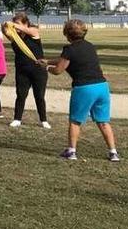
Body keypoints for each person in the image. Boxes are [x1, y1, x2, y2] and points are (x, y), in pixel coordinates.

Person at [43, 20, 119, 162]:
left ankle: (71, 151)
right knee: (103, 121)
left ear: (67, 33)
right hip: (102, 86)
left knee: (75, 120)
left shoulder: (69, 49)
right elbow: (64, 60)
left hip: (84, 88)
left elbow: (59, 70)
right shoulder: (90, 46)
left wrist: (46, 68)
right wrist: (47, 61)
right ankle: (113, 152)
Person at [3, 13, 50, 129]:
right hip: (22, 70)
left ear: (25, 23)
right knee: (21, 95)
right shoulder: (15, 37)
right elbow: (6, 31)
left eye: (18, 23)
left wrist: (13, 25)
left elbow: (27, 30)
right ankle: (17, 119)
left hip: (38, 70)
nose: (15, 27)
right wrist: (5, 25)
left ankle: (43, 120)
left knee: (39, 95)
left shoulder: (33, 32)